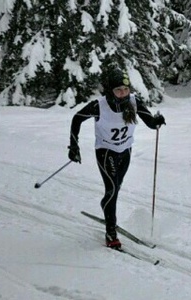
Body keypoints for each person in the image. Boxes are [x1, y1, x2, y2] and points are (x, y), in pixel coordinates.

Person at [68, 68, 166, 249]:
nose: (123, 94)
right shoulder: (99, 106)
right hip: (106, 152)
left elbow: (151, 123)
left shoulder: (134, 102)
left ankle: (106, 204)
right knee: (112, 189)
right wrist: (74, 146)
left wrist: (158, 121)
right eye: (118, 90)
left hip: (125, 152)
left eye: (126, 89)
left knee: (115, 189)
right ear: (110, 91)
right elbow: (77, 119)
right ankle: (110, 232)